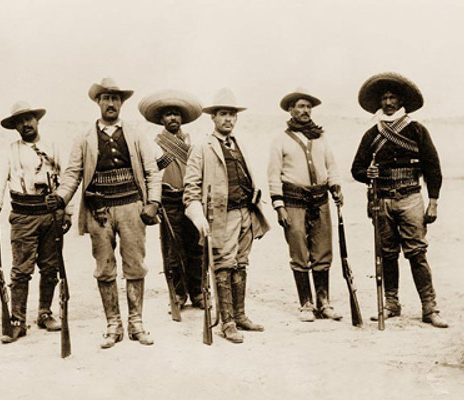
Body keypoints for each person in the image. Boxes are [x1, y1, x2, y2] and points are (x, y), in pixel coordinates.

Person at [50, 77, 162, 348]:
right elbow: (72, 173)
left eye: (115, 98)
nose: (110, 103)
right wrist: (60, 197)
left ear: (122, 103)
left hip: (131, 208)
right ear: (98, 102)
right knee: (104, 267)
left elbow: (151, 172)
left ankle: (136, 323)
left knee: (135, 264)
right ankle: (113, 324)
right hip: (98, 210)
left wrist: (153, 203)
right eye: (105, 98)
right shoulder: (85, 137)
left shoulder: (135, 134)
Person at [351, 72, 448, 328]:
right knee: (388, 254)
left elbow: (433, 169)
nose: (388, 102)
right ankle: (391, 304)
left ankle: (430, 308)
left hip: (411, 199)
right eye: (384, 98)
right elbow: (356, 169)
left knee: (416, 253)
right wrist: (366, 174)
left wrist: (433, 201)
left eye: (393, 97)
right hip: (381, 200)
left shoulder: (417, 130)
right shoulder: (372, 133)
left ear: (401, 100)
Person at [183, 88, 270, 344]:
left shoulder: (240, 144)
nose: (228, 119)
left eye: (232, 114)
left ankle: (240, 315)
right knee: (222, 264)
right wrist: (199, 218)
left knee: (241, 263)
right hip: (221, 217)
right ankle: (226, 322)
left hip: (246, 214)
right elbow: (191, 190)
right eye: (223, 114)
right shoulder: (202, 147)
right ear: (213, 117)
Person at [0, 101, 72, 343]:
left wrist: (68, 211)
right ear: (15, 126)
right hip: (23, 215)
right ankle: (17, 320)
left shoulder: (53, 147)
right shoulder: (10, 151)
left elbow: (67, 179)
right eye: (20, 121)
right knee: (21, 270)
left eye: (29, 119)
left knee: (50, 267)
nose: (25, 124)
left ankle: (45, 312)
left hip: (51, 213)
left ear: (37, 120)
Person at [268, 88, 343, 322]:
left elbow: (331, 166)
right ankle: (306, 304)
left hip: (320, 199)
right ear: (291, 110)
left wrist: (336, 187)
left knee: (322, 250)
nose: (305, 111)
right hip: (293, 201)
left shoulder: (321, 138)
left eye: (308, 107)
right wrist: (279, 205)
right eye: (300, 106)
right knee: (299, 250)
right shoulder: (280, 140)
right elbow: (273, 174)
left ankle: (323, 302)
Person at [138, 90, 204, 310]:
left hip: (192, 199)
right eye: (168, 114)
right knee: (173, 250)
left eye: (176, 114)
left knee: (196, 246)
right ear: (161, 120)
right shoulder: (154, 144)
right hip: (168, 200)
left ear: (182, 118)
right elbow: (150, 175)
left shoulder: (194, 142)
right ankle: (177, 294)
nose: (173, 118)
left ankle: (198, 292)